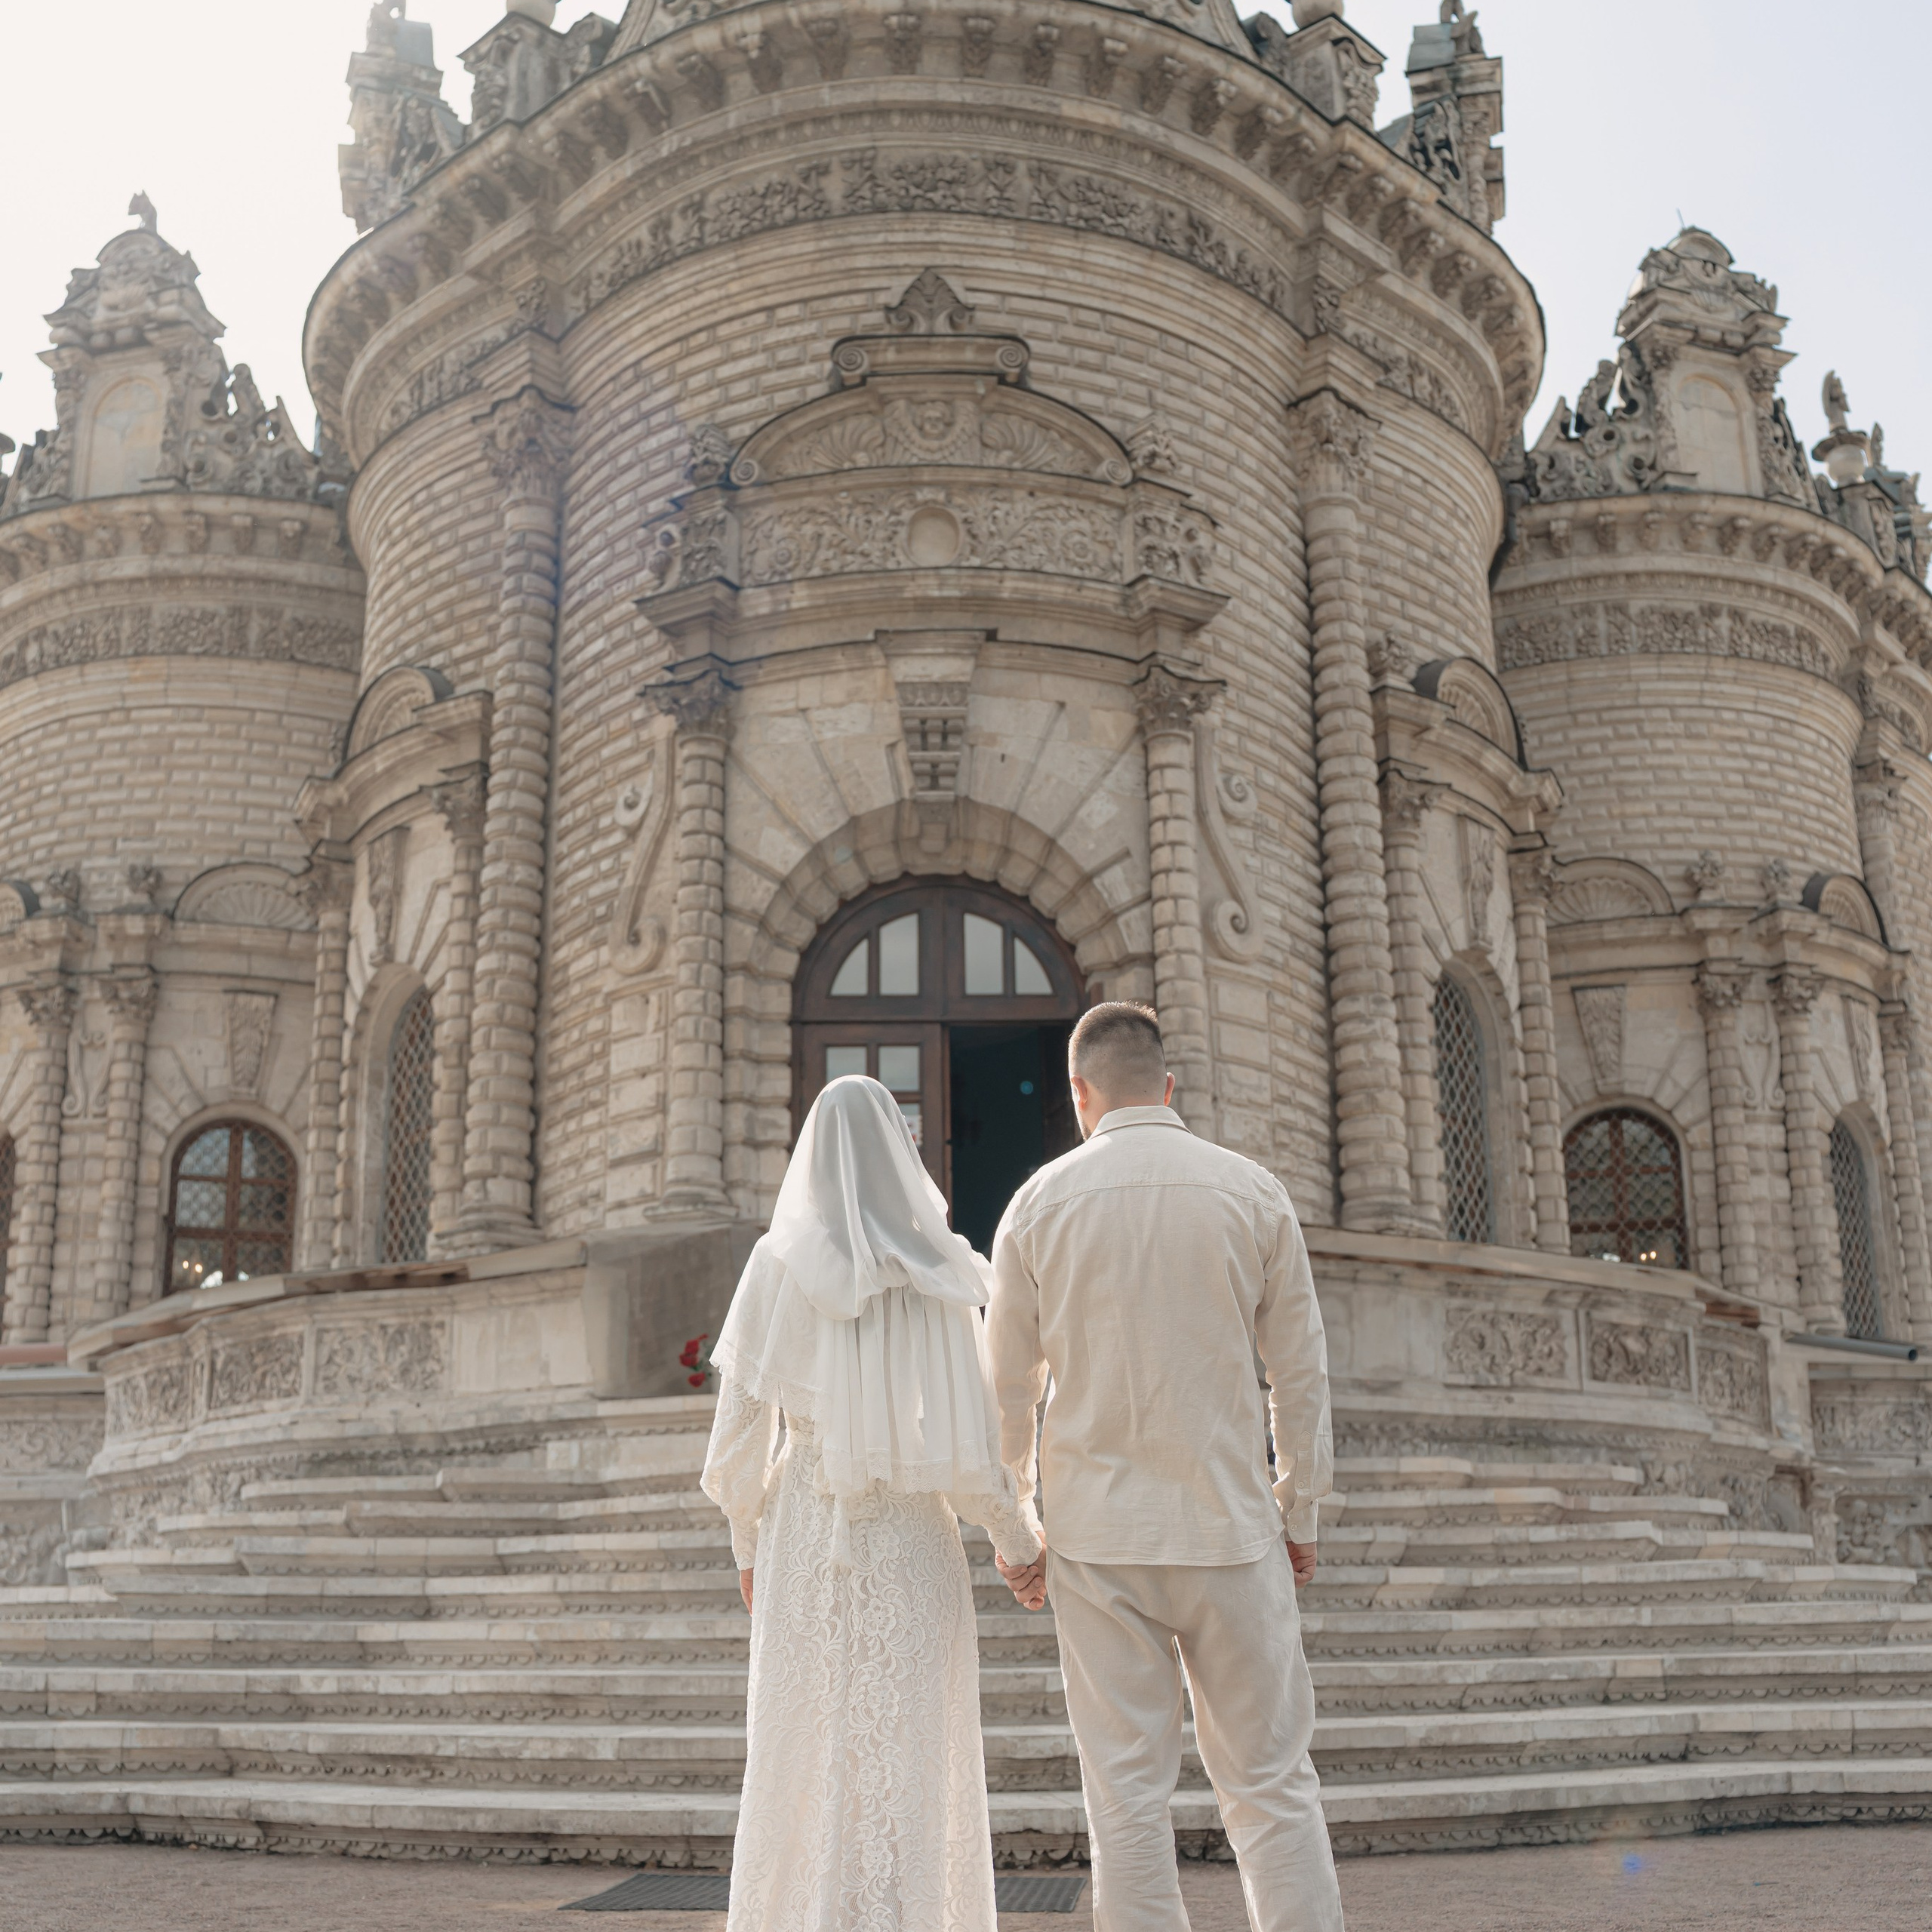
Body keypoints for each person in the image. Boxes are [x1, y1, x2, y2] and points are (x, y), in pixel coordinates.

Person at [987, 1002, 1345, 1932]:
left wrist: (1013, 1530)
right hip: (1228, 1527)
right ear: (1169, 1086)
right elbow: (1299, 1372)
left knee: (1124, 1796)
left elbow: (1007, 1391)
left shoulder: (1037, 1203)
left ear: (1080, 1093)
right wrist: (1299, 1510)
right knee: (1270, 1784)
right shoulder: (1252, 1191)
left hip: (1098, 1539)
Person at [701, 1075, 1045, 1931]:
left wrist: (747, 1546)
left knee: (803, 1750)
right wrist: (1017, 1543)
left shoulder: (774, 1266)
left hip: (806, 1534)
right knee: (910, 1752)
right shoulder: (940, 1269)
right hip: (912, 1537)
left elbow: (738, 1440)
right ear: (901, 1147)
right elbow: (971, 1453)